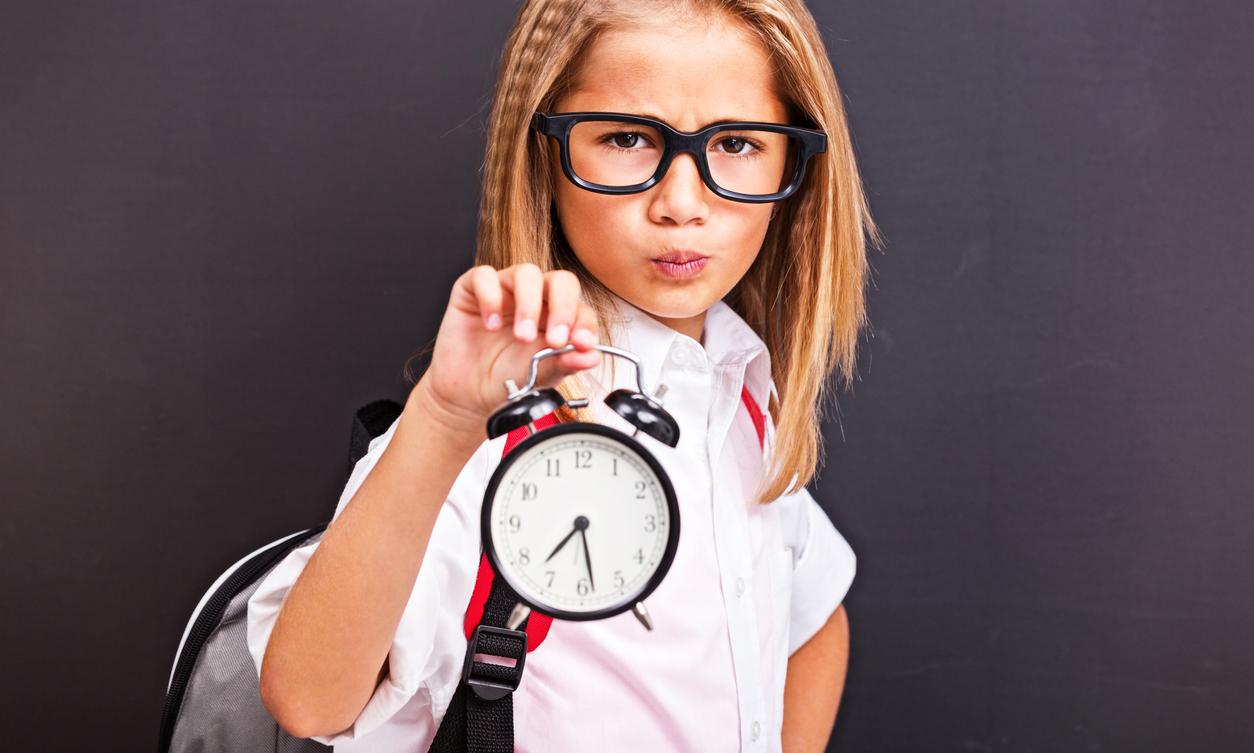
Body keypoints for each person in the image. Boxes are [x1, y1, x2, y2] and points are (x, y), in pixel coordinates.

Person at [247, 0, 880, 750]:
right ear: (544, 150)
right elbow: (310, 697)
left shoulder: (738, 393)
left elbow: (814, 614)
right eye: (625, 138)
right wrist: (444, 421)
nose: (681, 204)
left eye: (738, 142)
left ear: (797, 163)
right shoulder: (497, 422)